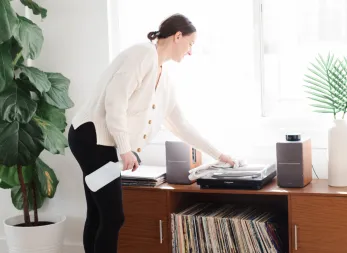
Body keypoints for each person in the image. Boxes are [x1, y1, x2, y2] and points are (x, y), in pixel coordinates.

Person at [68, 13, 235, 253]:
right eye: (190, 44)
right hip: (90, 136)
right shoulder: (142, 54)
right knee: (113, 217)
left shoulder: (164, 79)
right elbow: (115, 102)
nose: (190, 52)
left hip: (102, 141)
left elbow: (181, 125)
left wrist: (218, 154)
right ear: (178, 36)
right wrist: (126, 150)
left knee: (99, 213)